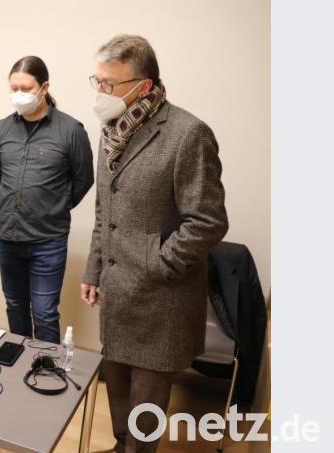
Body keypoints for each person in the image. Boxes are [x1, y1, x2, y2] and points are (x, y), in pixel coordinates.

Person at [80, 35, 228, 453]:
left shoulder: (187, 134)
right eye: (97, 80)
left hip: (159, 298)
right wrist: (94, 270)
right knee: (119, 387)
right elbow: (102, 211)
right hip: (117, 291)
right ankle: (120, 446)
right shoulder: (111, 131)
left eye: (109, 84)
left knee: (147, 403)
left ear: (143, 86)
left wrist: (157, 264)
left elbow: (208, 221)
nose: (99, 92)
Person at [0, 56, 94, 343]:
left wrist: (53, 205)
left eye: (26, 88)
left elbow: (83, 180)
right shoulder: (3, 129)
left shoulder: (71, 130)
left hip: (47, 242)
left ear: (44, 87)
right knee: (15, 308)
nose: (18, 95)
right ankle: (20, 373)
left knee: (45, 313)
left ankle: (47, 372)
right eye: (14, 88)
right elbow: (2, 175)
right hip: (8, 238)